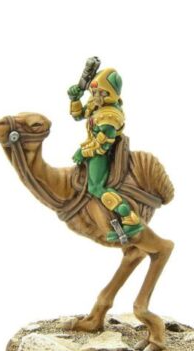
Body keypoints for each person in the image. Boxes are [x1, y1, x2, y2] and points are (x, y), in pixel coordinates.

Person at [67, 68, 143, 243]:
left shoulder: (110, 116)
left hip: (102, 153)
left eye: (100, 92)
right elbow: (79, 115)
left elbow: (102, 145)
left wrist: (83, 152)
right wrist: (75, 99)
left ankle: (129, 219)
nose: (95, 96)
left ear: (110, 93)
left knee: (95, 188)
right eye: (94, 92)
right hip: (93, 146)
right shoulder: (98, 104)